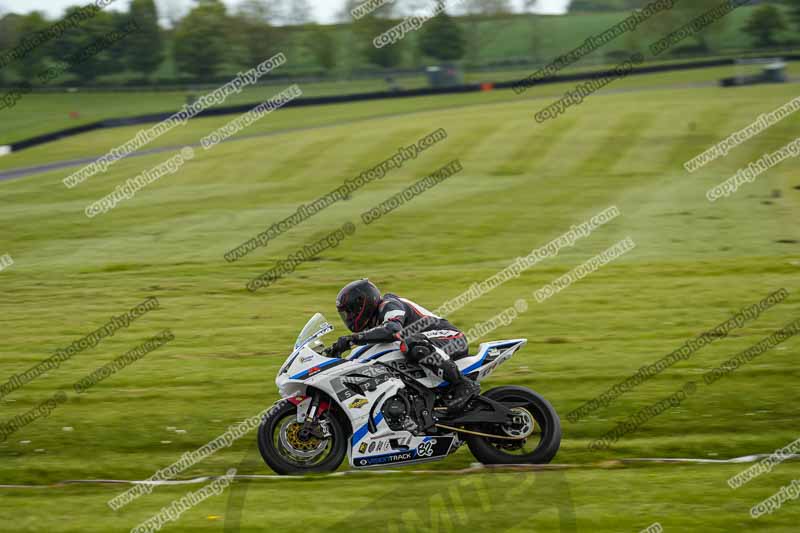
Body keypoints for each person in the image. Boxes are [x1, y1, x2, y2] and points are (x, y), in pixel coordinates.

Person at [328, 279, 480, 412]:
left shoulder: (389, 304)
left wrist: (350, 340)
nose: (349, 318)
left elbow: (392, 330)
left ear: (363, 304)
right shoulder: (373, 324)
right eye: (345, 315)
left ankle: (463, 384)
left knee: (410, 343)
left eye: (350, 312)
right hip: (431, 346)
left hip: (451, 339)